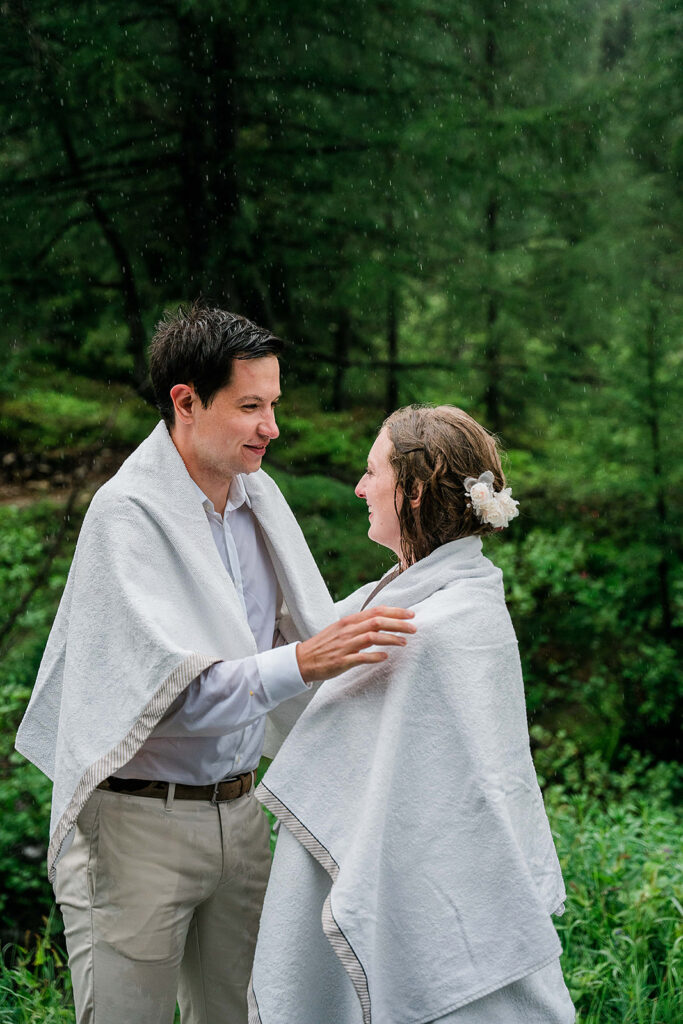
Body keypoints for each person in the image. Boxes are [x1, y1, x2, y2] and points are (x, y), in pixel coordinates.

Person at [15, 304, 416, 1024]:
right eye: (251, 406)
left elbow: (311, 624)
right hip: (134, 825)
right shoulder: (126, 515)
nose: (272, 427)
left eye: (274, 405)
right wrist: (305, 659)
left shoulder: (260, 498)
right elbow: (174, 697)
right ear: (186, 402)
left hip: (242, 816)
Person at [249, 404, 576, 1024]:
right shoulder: (400, 599)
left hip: (440, 888)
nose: (360, 487)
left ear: (416, 491)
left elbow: (456, 793)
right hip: (404, 874)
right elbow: (305, 661)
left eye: (373, 472)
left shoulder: (436, 628)